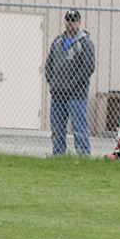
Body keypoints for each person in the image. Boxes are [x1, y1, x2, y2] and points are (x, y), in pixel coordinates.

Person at [45, 9, 96, 156]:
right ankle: (59, 155)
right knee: (57, 128)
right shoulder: (58, 41)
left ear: (79, 22)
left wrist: (71, 85)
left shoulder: (85, 42)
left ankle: (83, 156)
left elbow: (88, 67)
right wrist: (52, 83)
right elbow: (49, 64)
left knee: (79, 129)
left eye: (73, 20)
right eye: (68, 20)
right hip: (57, 94)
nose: (70, 23)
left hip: (76, 95)